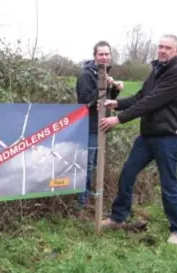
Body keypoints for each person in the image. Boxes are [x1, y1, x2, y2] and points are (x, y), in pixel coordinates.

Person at [99, 34, 177, 245]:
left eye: (167, 48)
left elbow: (152, 101)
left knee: (168, 183)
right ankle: (118, 217)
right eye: (160, 46)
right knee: (128, 173)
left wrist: (119, 119)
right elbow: (141, 96)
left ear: (176, 51)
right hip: (148, 136)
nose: (162, 50)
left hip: (169, 137)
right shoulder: (157, 71)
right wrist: (116, 103)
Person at [75, 40, 124, 214]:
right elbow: (84, 102)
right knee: (86, 166)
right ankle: (81, 205)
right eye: (100, 54)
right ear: (95, 56)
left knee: (95, 165)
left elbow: (106, 99)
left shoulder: (104, 74)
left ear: (110, 56)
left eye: (107, 54)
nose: (104, 57)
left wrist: (114, 88)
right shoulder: (86, 76)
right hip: (89, 128)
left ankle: (91, 201)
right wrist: (101, 90)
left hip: (102, 127)